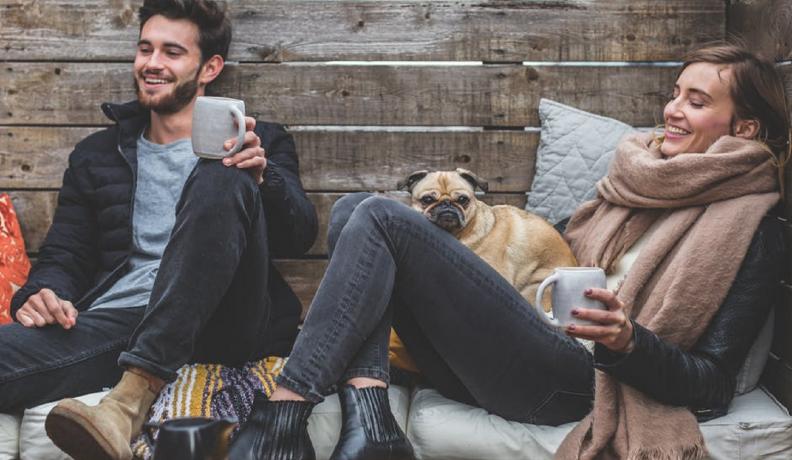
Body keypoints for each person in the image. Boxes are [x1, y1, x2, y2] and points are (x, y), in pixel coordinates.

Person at [227, 44, 788, 460]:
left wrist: (627, 341)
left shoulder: (748, 224)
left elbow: (712, 385)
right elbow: (561, 248)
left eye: (696, 101)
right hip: (517, 351)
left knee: (376, 215)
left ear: (743, 126)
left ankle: (283, 414)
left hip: (576, 381)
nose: (672, 110)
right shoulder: (639, 181)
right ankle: (373, 419)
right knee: (355, 210)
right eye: (674, 94)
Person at [0, 0, 317, 458]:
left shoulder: (258, 140)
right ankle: (139, 373)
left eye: (171, 52)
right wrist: (40, 293)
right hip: (121, 323)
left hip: (225, 319)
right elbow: (65, 255)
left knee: (223, 170)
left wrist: (263, 178)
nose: (151, 64)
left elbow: (299, 234)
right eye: (145, 49)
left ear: (209, 67)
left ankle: (130, 398)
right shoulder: (97, 155)